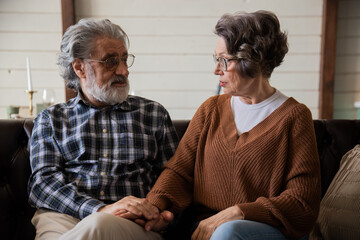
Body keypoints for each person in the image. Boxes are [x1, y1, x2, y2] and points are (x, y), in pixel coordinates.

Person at [144, 10, 321, 240]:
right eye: (216, 59)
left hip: (259, 231)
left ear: (252, 60)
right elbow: (179, 172)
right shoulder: (211, 109)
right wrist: (154, 207)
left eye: (224, 60)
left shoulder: (295, 117)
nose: (216, 70)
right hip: (201, 228)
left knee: (228, 231)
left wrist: (239, 212)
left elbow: (302, 204)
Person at [27, 18, 179, 240]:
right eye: (110, 61)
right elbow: (43, 185)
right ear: (79, 67)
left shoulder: (153, 114)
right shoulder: (51, 119)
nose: (124, 71)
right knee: (95, 222)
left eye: (125, 60)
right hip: (64, 217)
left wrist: (161, 211)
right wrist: (97, 210)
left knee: (101, 225)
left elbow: (175, 179)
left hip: (133, 223)